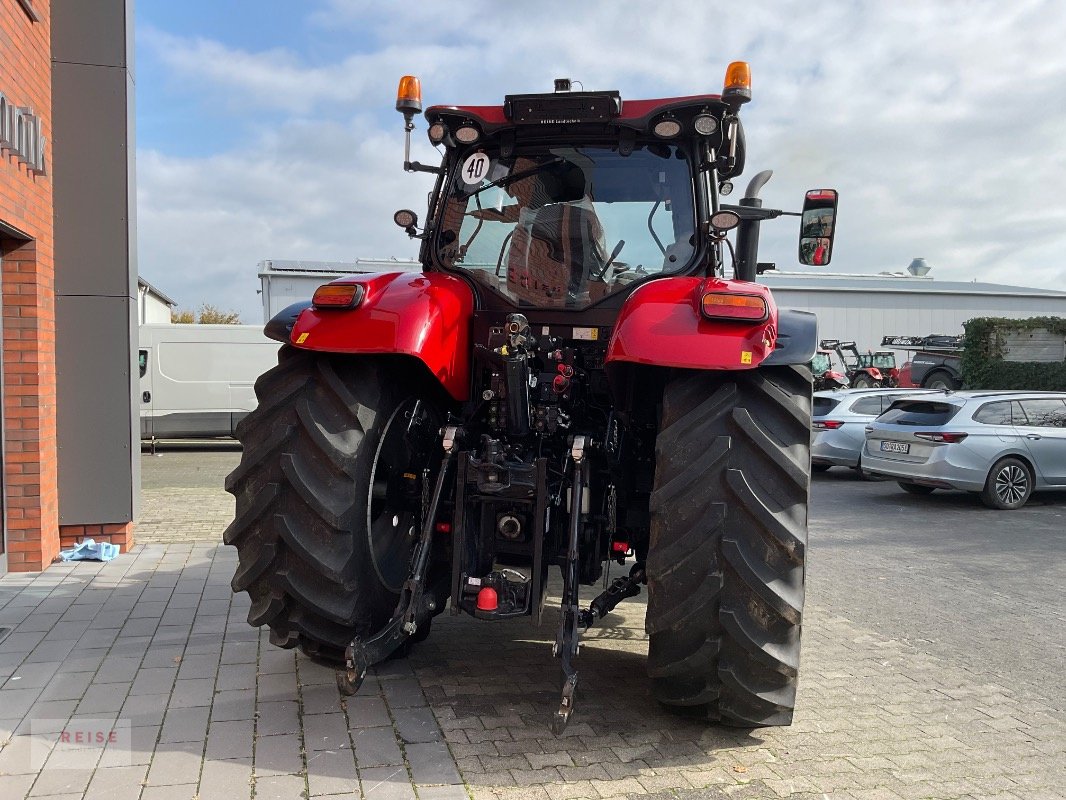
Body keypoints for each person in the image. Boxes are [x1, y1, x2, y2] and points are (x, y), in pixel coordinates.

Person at [504, 159, 608, 306]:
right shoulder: (586, 219)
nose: (514, 192)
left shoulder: (537, 220)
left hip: (529, 304)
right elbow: (594, 266)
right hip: (572, 304)